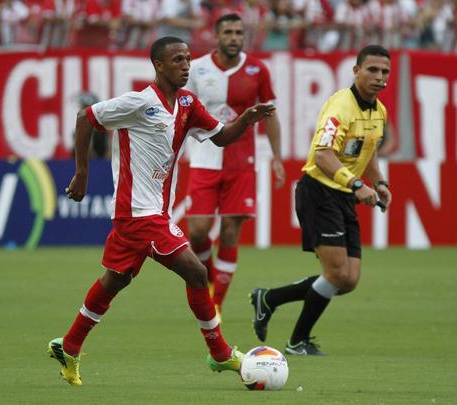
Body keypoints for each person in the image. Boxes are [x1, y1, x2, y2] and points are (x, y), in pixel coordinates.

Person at [47, 36, 276, 386]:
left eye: (187, 59)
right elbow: (85, 117)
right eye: (177, 60)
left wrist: (245, 121)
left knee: (116, 279)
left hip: (155, 212)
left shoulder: (187, 102)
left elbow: (220, 136)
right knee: (197, 272)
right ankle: (219, 354)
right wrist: (81, 173)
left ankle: (70, 344)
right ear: (158, 65)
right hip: (138, 213)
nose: (186, 65)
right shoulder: (138, 103)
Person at [250, 45, 392, 355]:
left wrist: (378, 182)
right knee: (337, 273)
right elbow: (322, 154)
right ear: (356, 71)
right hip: (319, 191)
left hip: (344, 196)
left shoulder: (378, 111)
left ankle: (269, 298)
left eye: (385, 72)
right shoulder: (340, 107)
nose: (379, 77)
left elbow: (367, 153)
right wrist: (356, 184)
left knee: (349, 280)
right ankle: (297, 341)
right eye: (372, 70)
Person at [184, 13, 285, 317]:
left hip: (242, 162)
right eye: (228, 32)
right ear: (216, 36)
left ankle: (216, 305)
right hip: (204, 158)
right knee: (198, 231)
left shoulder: (258, 69)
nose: (234, 37)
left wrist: (277, 158)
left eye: (239, 32)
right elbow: (183, 112)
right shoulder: (197, 69)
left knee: (230, 231)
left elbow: (271, 115)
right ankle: (211, 279)